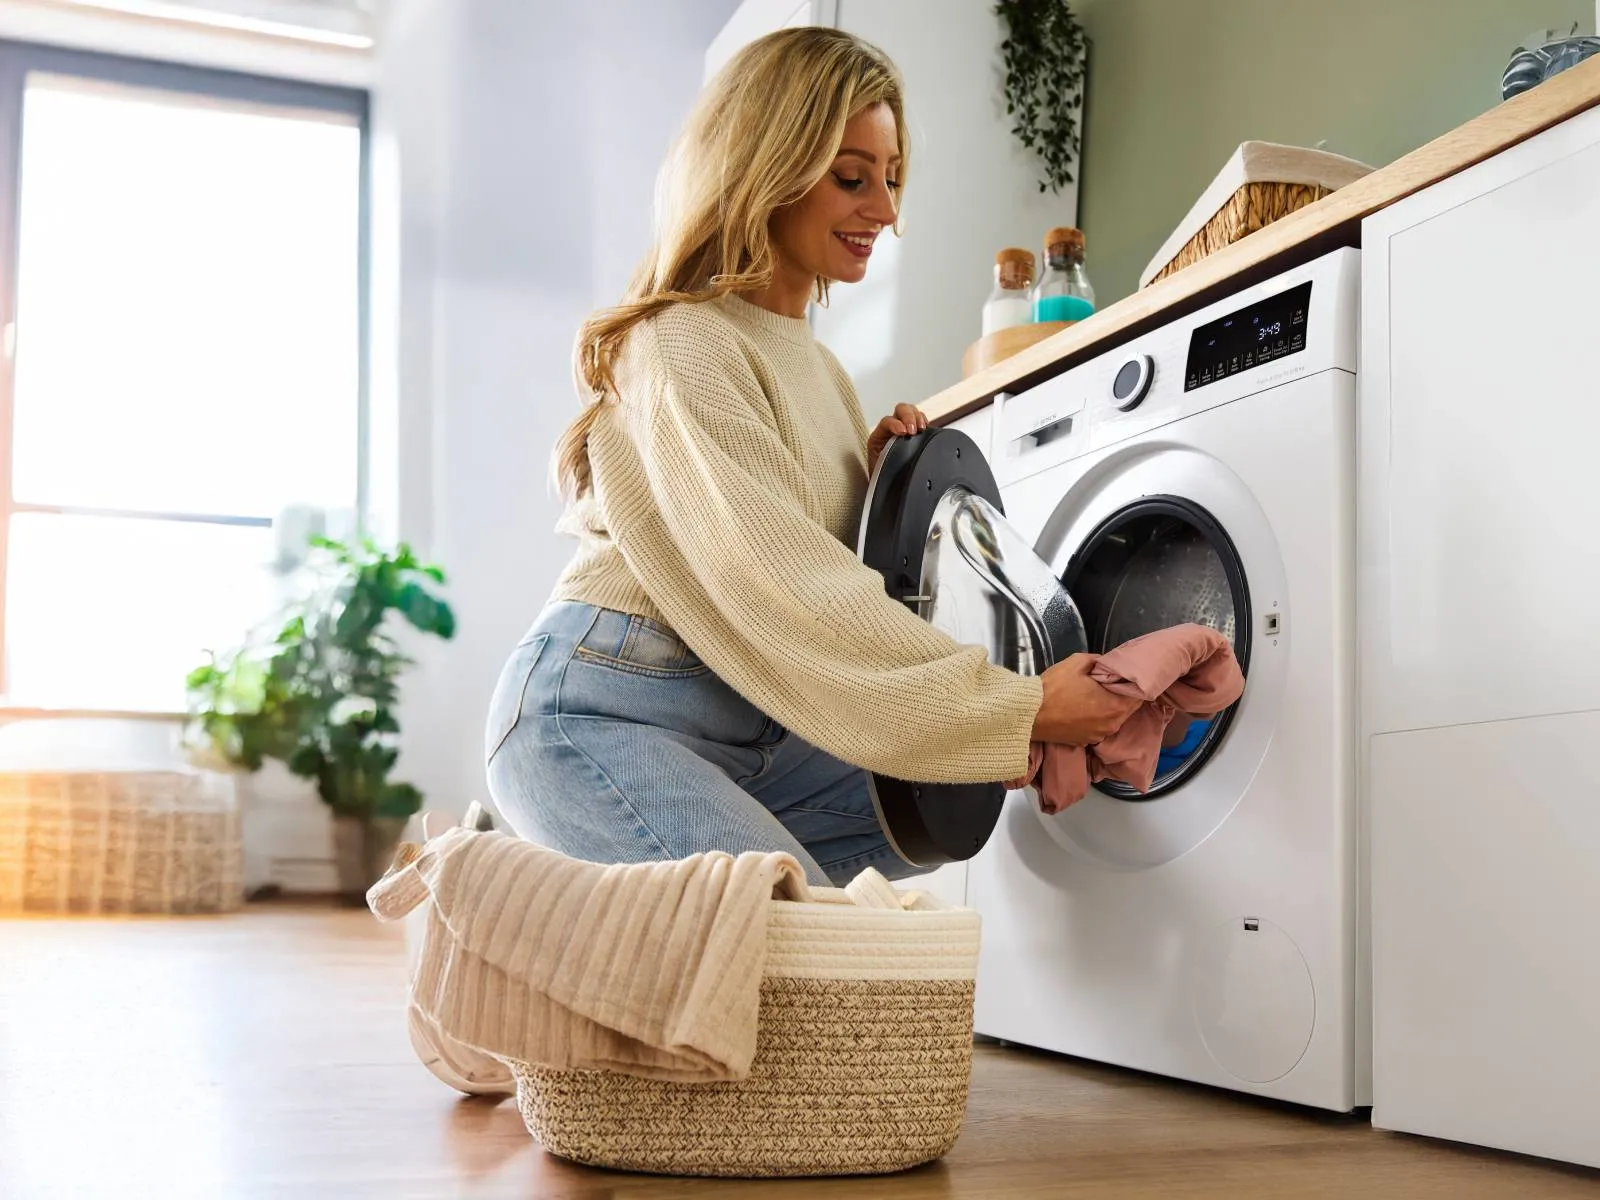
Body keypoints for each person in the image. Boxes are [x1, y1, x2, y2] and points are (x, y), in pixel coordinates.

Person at [483, 27, 1137, 888]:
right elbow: (784, 589)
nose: (886, 213)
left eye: (893, 180)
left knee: (934, 805)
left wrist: (877, 493)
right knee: (810, 958)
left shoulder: (822, 369)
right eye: (852, 178)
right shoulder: (680, 341)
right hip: (607, 710)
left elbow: (823, 570)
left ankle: (589, 927)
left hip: (763, 721)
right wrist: (1020, 709)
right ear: (767, 165)